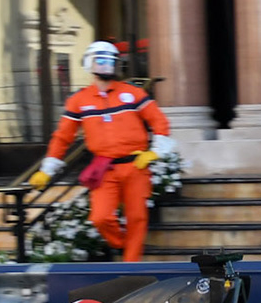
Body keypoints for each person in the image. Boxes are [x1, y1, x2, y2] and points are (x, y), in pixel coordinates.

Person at [32, 41, 175, 263]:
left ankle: (131, 266)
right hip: (104, 168)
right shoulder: (79, 101)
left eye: (111, 61)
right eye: (101, 61)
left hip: (136, 165)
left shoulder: (133, 93)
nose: (107, 66)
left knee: (137, 218)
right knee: (100, 217)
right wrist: (47, 170)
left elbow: (159, 122)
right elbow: (63, 137)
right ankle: (125, 245)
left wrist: (155, 152)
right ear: (90, 63)